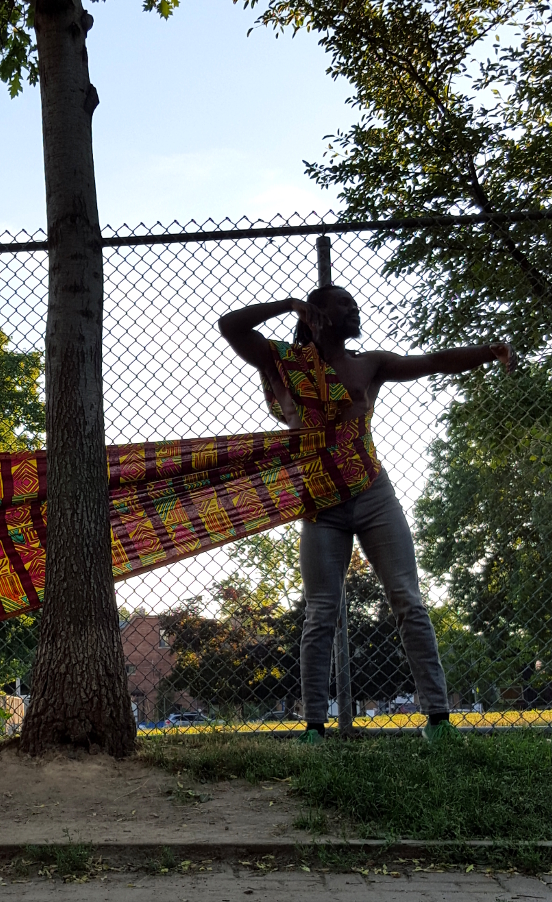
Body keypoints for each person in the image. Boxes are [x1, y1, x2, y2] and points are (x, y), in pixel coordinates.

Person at [219, 285, 514, 743]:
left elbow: (433, 362)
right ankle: (314, 727)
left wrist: (486, 352)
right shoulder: (283, 361)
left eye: (355, 303)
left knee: (408, 600)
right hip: (320, 501)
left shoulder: (369, 363)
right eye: (344, 303)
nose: (354, 309)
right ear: (318, 312)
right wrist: (286, 305)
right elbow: (230, 326)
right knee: (321, 613)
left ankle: (438, 720)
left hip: (374, 492)